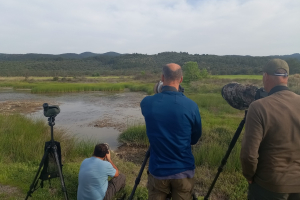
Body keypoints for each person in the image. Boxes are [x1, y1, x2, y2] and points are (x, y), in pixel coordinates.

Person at [240, 58, 300, 200]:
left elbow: (249, 154)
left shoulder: (259, 107)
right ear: (287, 77)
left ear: (265, 76)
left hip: (270, 185)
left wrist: (249, 175)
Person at [140, 63, 202, 200]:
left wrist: (159, 91)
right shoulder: (191, 105)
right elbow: (195, 138)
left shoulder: (147, 103)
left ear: (162, 77)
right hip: (183, 170)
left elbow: (156, 100)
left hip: (158, 171)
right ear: (181, 79)